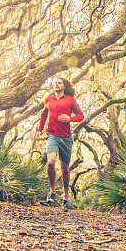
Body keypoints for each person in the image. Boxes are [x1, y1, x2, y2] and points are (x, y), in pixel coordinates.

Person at [36, 77, 84, 211]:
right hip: (51, 135)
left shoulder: (70, 100)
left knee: (65, 169)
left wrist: (70, 118)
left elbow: (81, 116)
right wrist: (40, 130)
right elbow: (43, 115)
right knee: (50, 161)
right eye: (55, 82)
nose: (56, 84)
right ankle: (52, 191)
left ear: (64, 86)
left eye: (59, 83)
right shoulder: (48, 99)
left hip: (66, 138)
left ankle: (66, 196)